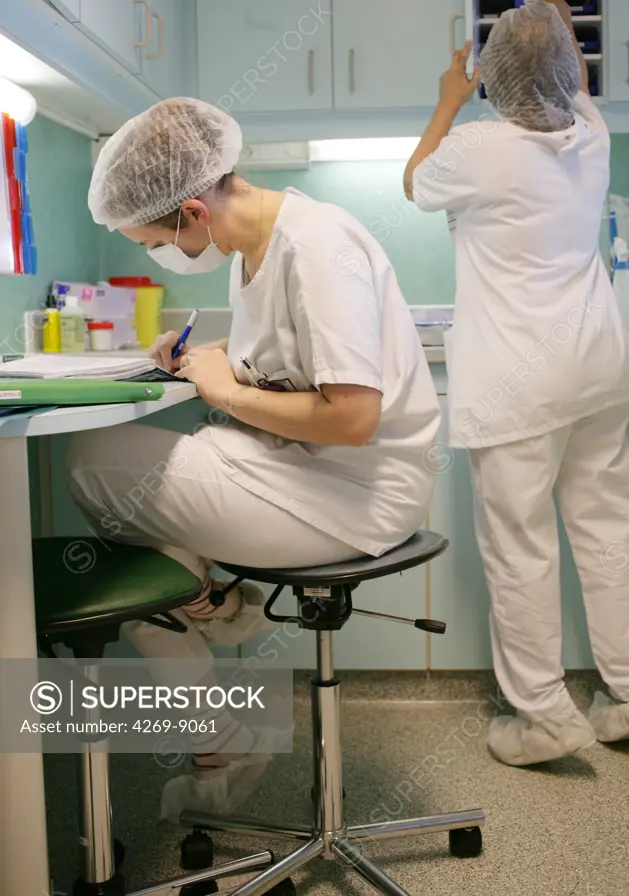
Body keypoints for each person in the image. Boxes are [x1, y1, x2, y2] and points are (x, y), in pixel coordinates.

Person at [68, 97, 440, 816]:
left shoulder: (317, 247)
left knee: (93, 462)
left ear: (194, 214)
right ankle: (213, 633)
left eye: (152, 242)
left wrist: (229, 395)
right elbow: (294, 370)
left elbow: (356, 416)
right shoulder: (252, 250)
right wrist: (216, 364)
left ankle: (217, 638)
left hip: (358, 493)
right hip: (303, 471)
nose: (158, 254)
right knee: (146, 576)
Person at [404, 0, 629, 767]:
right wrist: (563, 33)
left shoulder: (479, 148)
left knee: (522, 551)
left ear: (491, 76)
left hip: (519, 388)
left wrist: (447, 101)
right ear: (566, 71)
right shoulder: (591, 134)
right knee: (607, 535)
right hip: (596, 372)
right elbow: (574, 89)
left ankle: (547, 718)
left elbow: (414, 183)